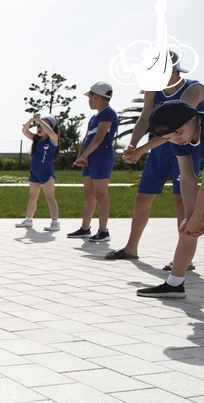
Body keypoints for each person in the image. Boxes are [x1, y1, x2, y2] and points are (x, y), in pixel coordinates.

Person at [107, 51, 204, 268]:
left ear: (173, 69)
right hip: (160, 146)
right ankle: (131, 248)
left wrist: (141, 149)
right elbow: (145, 117)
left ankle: (183, 260)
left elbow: (178, 127)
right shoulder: (154, 87)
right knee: (143, 197)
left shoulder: (195, 88)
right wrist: (133, 144)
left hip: (185, 144)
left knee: (182, 201)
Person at [136, 100, 203, 298]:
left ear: (193, 118)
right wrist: (190, 217)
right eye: (170, 138)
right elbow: (188, 178)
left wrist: (198, 217)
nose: (177, 140)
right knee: (188, 227)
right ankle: (174, 284)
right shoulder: (179, 140)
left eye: (179, 133)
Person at [68, 82, 119, 242]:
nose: (89, 100)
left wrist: (86, 155)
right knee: (89, 193)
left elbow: (99, 138)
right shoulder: (94, 117)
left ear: (96, 96)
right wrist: (81, 156)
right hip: (89, 158)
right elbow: (87, 137)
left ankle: (103, 231)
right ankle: (85, 228)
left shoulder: (108, 114)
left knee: (101, 194)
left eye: (90, 97)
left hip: (102, 157)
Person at [16, 114, 60, 231]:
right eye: (38, 126)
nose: (39, 128)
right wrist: (32, 119)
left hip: (46, 172)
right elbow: (24, 131)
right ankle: (29, 219)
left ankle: (55, 222)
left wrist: (40, 120)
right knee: (33, 197)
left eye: (43, 126)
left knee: (50, 197)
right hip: (35, 172)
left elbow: (51, 133)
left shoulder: (53, 139)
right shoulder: (36, 139)